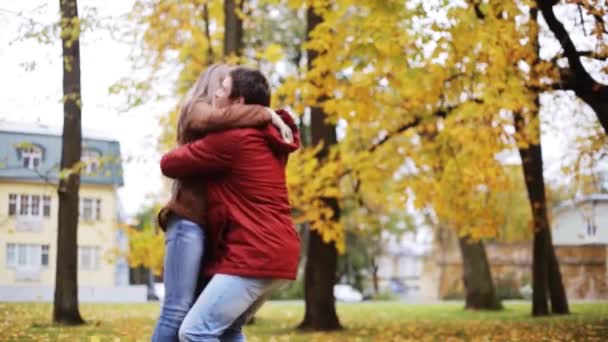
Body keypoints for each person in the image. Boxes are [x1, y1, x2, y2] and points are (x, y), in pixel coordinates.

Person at [151, 64, 293, 342]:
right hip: (275, 251)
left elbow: (169, 162)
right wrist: (265, 113)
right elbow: (200, 118)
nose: (216, 94)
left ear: (237, 103)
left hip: (253, 252)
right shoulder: (271, 136)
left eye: (223, 89)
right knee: (227, 329)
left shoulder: (234, 140)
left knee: (194, 330)